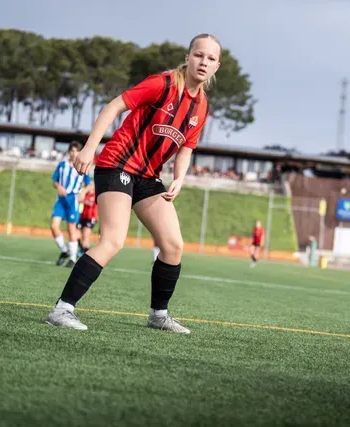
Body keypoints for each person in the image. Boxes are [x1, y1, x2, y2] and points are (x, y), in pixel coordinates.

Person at [45, 33, 221, 333]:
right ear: (188, 57)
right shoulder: (162, 84)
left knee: (173, 245)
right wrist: (90, 147)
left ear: (217, 66)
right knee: (113, 240)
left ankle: (158, 315)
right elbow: (113, 106)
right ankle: (62, 310)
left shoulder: (201, 107)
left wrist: (179, 178)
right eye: (198, 55)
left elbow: (186, 149)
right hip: (116, 164)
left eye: (211, 58)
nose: (203, 62)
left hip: (148, 177)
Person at [51, 142, 91, 268]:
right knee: (53, 226)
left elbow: (90, 184)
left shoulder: (82, 166)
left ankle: (72, 259)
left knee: (71, 229)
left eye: (76, 151)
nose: (74, 153)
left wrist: (83, 192)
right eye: (72, 151)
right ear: (69, 151)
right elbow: (54, 181)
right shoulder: (62, 165)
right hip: (61, 199)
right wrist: (59, 186)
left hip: (73, 200)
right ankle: (64, 250)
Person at [76, 182, 98, 256]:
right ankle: (83, 249)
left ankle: (85, 252)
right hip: (83, 216)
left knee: (86, 234)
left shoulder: (95, 195)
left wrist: (83, 200)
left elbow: (90, 203)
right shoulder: (85, 195)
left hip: (91, 217)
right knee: (78, 234)